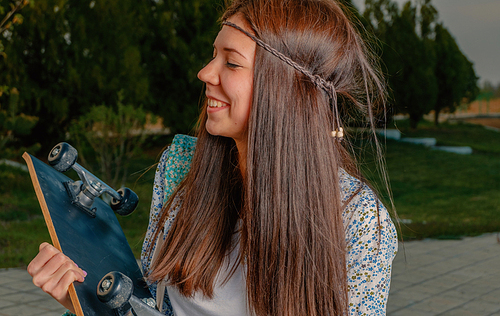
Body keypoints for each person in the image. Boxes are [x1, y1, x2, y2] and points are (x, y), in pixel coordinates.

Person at [28, 0, 398, 315]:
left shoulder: (359, 222)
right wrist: (82, 295)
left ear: (286, 89)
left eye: (232, 63)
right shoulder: (181, 167)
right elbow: (145, 303)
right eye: (213, 54)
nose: (205, 72)